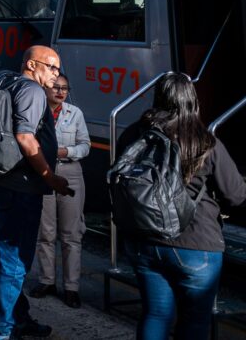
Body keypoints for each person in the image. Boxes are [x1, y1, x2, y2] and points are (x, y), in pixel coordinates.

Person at [118, 73, 246, 339]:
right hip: (196, 244)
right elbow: (236, 195)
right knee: (195, 321)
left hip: (143, 238)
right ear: (191, 101)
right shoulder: (205, 141)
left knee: (155, 314)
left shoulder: (134, 134)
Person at [0, 45, 71, 340]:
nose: (56, 73)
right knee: (15, 260)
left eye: (58, 68)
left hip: (2, 180)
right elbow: (25, 138)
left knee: (11, 254)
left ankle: (18, 318)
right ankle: (0, 331)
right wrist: (50, 177)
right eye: (52, 67)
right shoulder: (33, 92)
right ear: (33, 65)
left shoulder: (3, 79)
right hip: (22, 185)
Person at [30, 74, 90, 308]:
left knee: (71, 234)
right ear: (45, 89)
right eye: (56, 87)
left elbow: (85, 146)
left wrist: (64, 152)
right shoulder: (36, 113)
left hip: (70, 174)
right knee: (45, 232)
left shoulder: (75, 113)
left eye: (65, 88)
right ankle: (47, 281)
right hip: (44, 174)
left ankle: (71, 287)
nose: (60, 92)